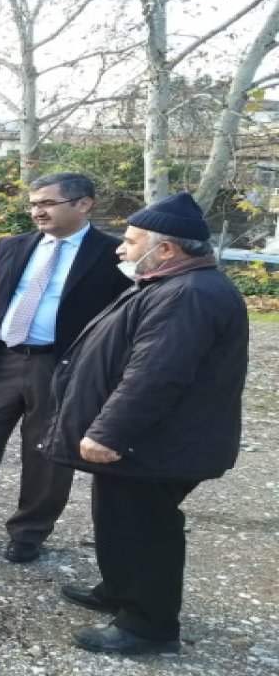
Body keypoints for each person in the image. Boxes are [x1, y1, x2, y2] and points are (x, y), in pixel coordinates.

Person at [42, 192, 247, 655]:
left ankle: (148, 626)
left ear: (167, 249)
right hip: (146, 441)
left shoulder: (188, 294)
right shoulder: (167, 284)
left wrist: (108, 431)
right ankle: (118, 590)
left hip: (154, 443)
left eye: (132, 241)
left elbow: (156, 374)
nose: (122, 248)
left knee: (146, 528)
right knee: (118, 518)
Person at [0, 172, 131, 562]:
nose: (37, 211)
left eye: (47, 203)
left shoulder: (111, 254)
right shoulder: (11, 246)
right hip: (2, 358)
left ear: (83, 203)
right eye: (34, 204)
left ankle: (29, 532)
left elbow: (120, 317)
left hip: (60, 366)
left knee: (48, 453)